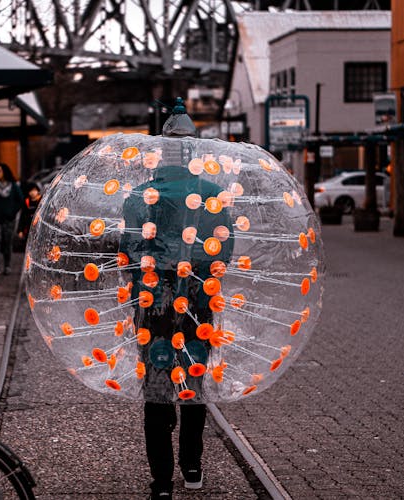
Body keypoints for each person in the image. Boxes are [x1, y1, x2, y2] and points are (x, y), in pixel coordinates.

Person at [120, 158, 234, 499]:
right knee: (193, 380)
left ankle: (161, 481)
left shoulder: (139, 197)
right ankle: (192, 466)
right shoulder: (214, 195)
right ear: (192, 157)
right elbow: (224, 251)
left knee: (156, 386)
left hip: (153, 306)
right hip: (198, 305)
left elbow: (128, 250)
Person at [14, 182, 42, 252]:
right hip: (28, 229)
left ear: (38, 191)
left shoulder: (41, 201)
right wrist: (20, 230)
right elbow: (22, 217)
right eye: (31, 191)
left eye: (34, 190)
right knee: (29, 246)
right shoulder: (26, 202)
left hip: (39, 228)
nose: (33, 193)